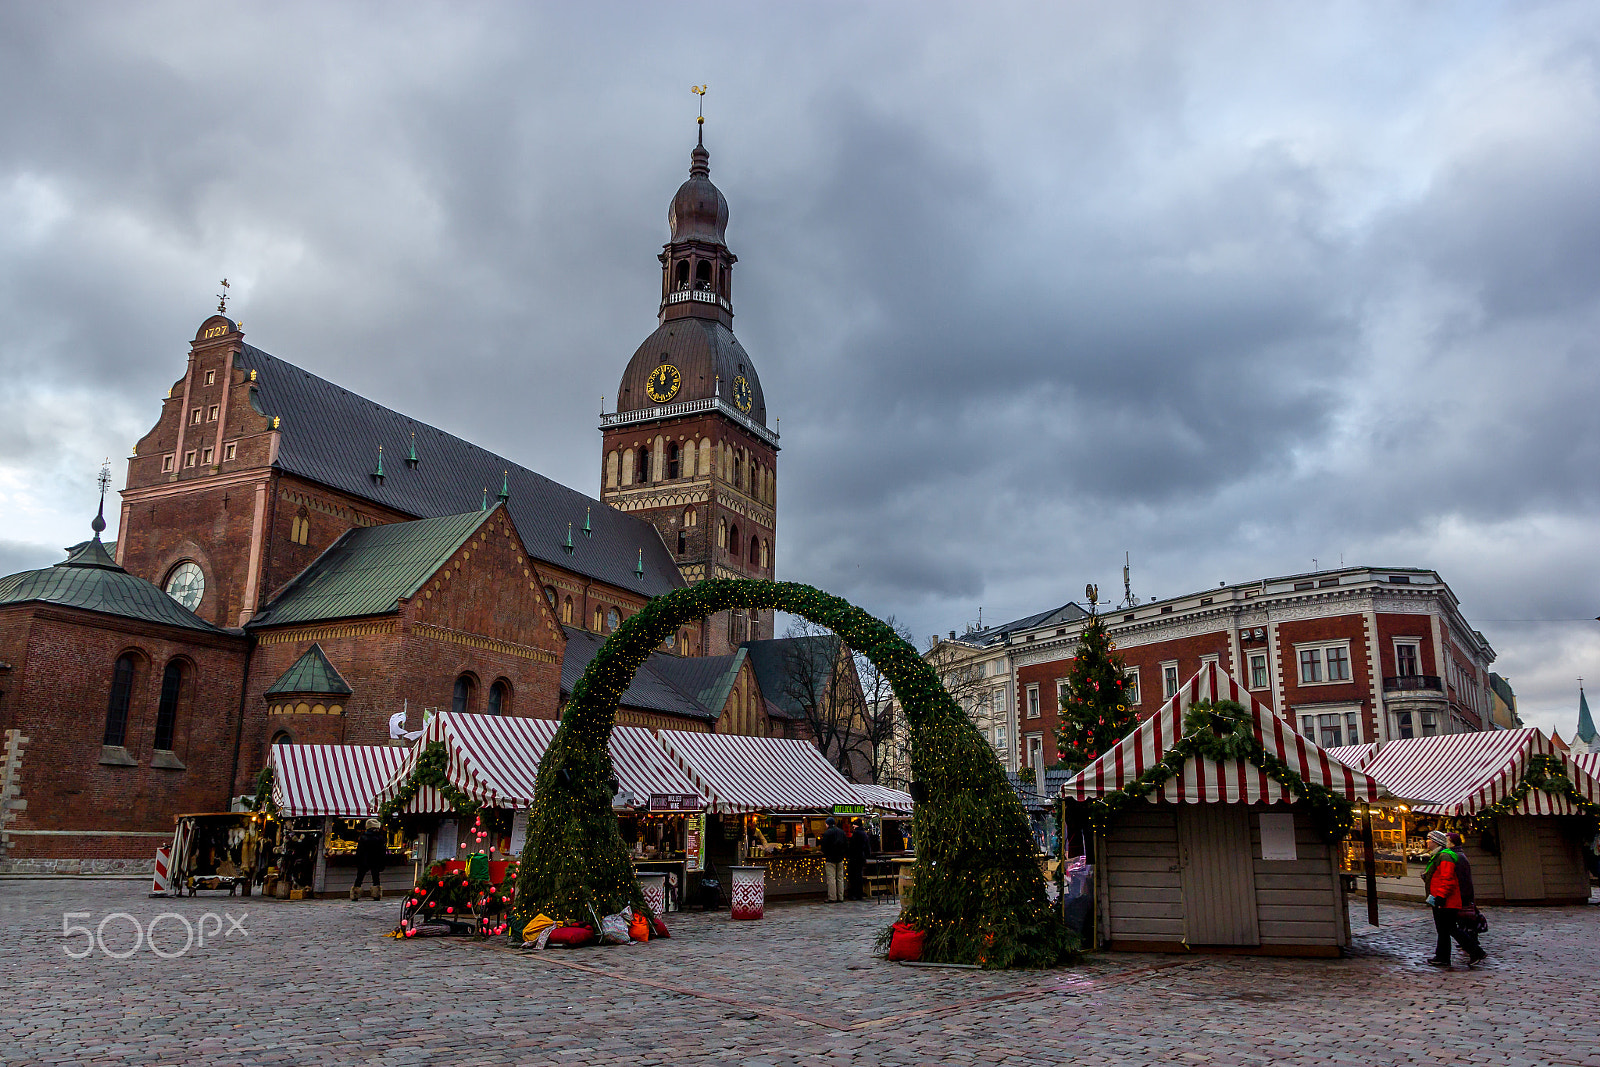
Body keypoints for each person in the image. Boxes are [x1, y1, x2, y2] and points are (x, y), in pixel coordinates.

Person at [1421, 829, 1485, 968]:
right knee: (1443, 930)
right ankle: (1442, 957)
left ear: (1436, 842)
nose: (1426, 841)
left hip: (1446, 900)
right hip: (1441, 898)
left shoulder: (1445, 856)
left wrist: (1441, 896)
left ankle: (1476, 951)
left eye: (1429, 839)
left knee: (1450, 928)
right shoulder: (1439, 856)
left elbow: (1447, 878)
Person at [352, 818, 388, 901]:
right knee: (376, 878)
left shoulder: (363, 837)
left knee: (359, 878)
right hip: (375, 860)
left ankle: (355, 894)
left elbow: (359, 851)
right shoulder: (380, 838)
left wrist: (358, 861)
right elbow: (382, 852)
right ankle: (376, 894)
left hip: (364, 860)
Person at [819, 817, 847, 903]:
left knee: (831, 879)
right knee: (840, 878)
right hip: (840, 858)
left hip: (830, 858)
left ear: (827, 824)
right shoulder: (841, 832)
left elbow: (824, 847)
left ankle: (832, 897)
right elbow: (846, 844)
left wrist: (825, 853)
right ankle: (840, 896)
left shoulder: (827, 833)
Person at [845, 818, 871, 901]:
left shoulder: (856, 833)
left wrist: (848, 854)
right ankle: (859, 893)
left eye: (854, 824)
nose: (853, 825)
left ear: (857, 825)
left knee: (854, 877)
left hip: (855, 858)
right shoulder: (864, 833)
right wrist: (867, 856)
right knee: (859, 875)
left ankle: (854, 894)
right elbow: (867, 847)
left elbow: (852, 846)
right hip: (861, 857)